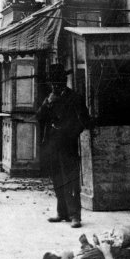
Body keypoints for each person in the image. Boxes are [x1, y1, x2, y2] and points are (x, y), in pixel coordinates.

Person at [35, 65, 92, 228]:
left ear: (64, 81)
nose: (55, 86)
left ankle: (75, 216)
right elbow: (39, 117)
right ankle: (62, 213)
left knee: (71, 179)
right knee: (57, 178)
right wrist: (47, 103)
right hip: (53, 144)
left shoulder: (75, 98)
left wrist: (71, 132)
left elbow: (85, 121)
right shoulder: (50, 98)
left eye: (58, 82)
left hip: (68, 144)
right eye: (53, 83)